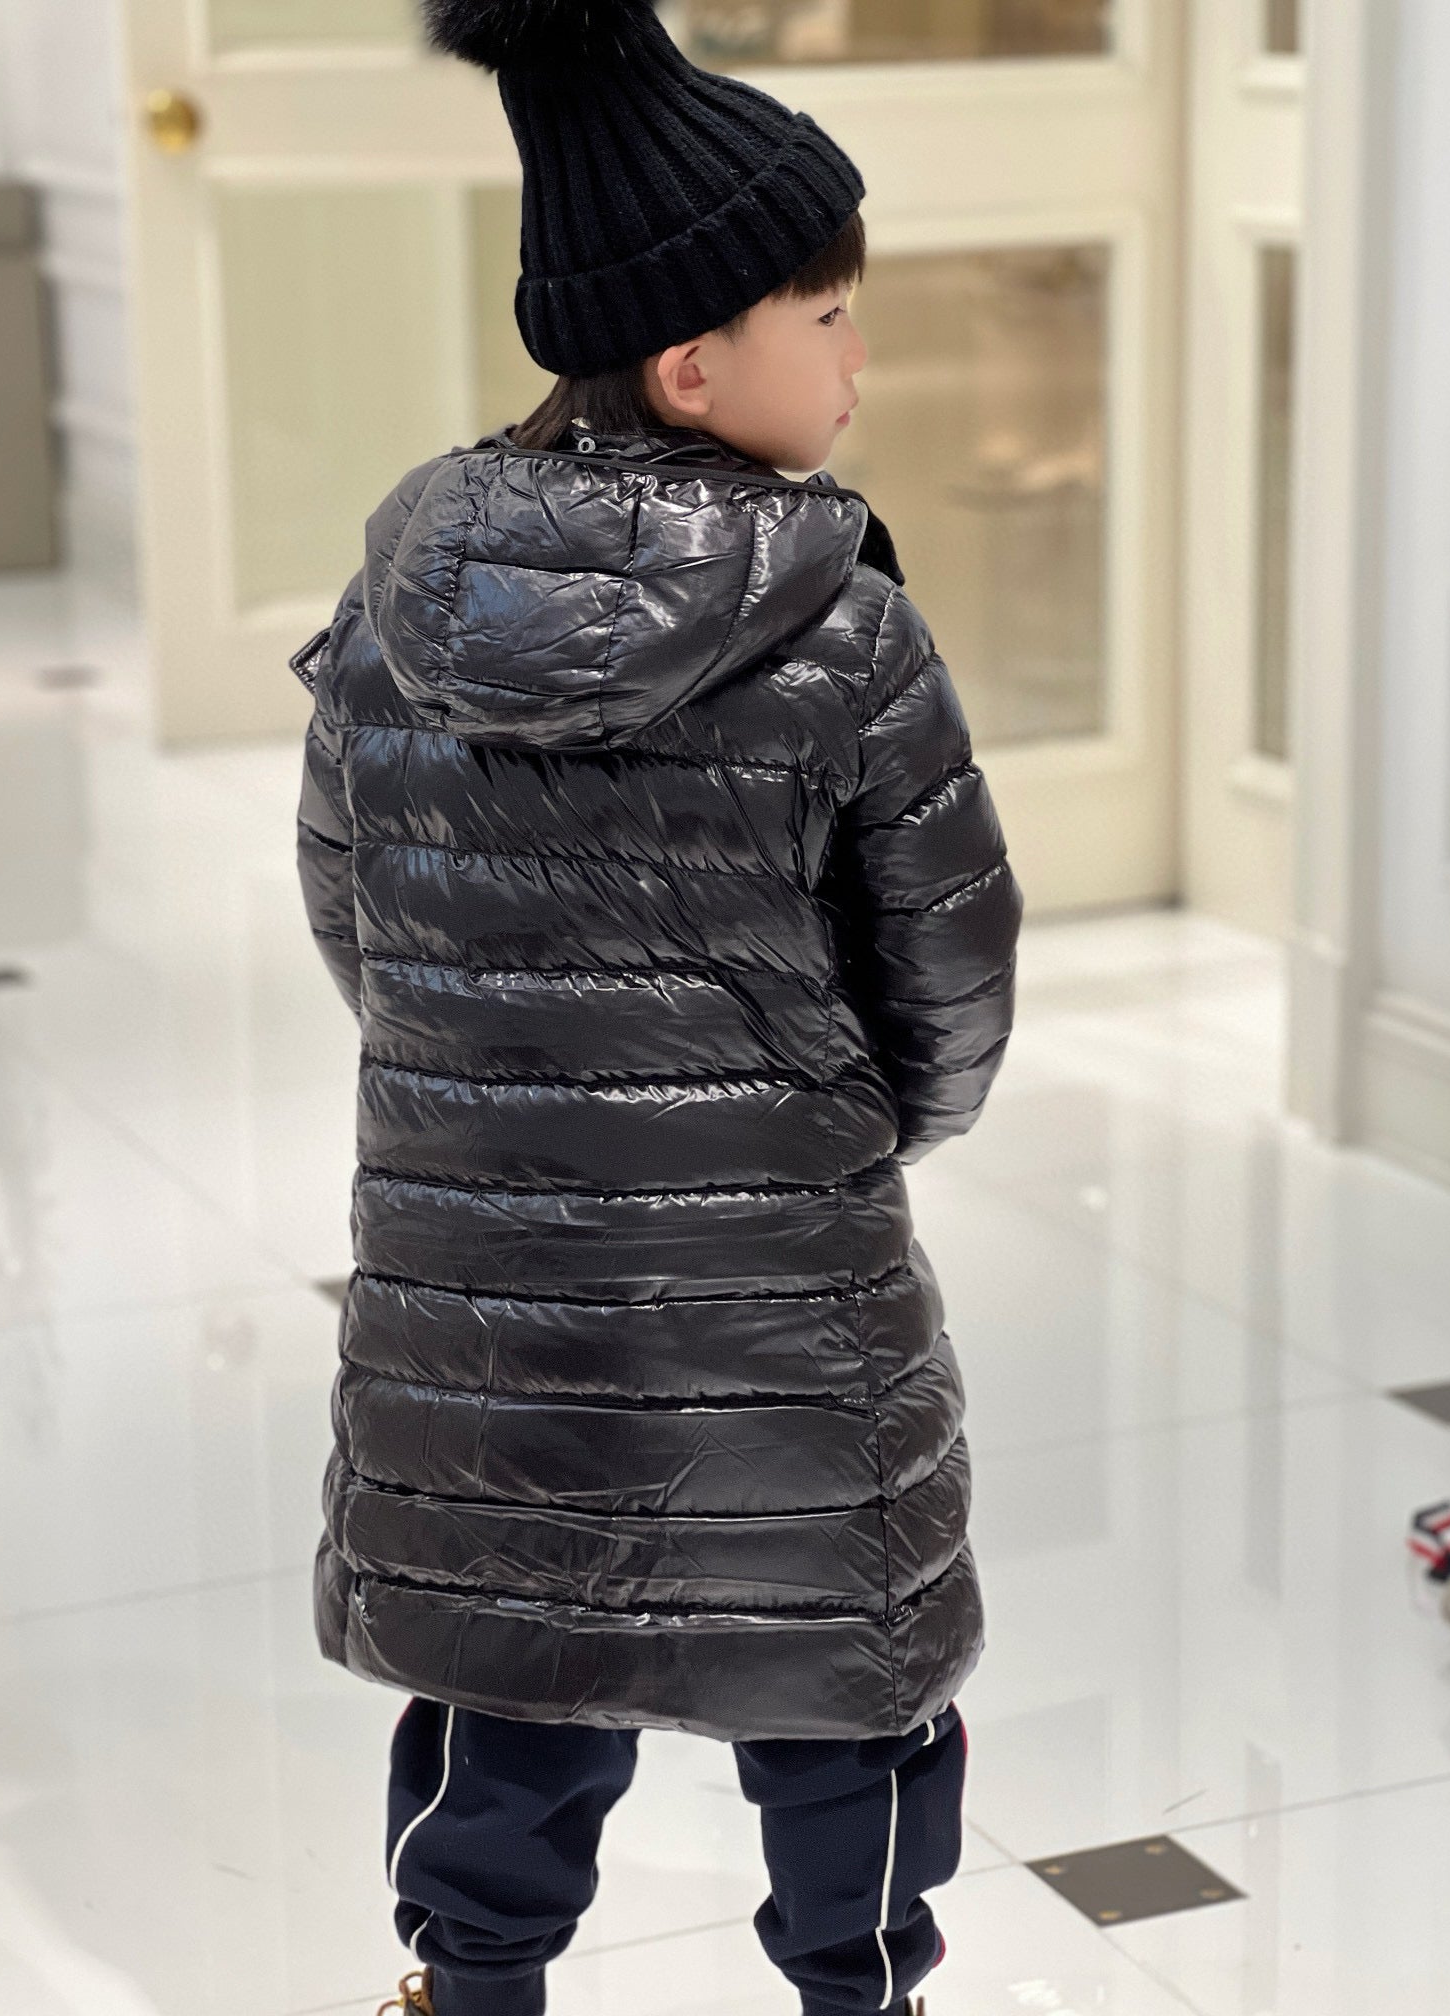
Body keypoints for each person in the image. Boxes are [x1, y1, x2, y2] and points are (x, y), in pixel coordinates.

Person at [291, 4, 1024, 2013]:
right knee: (840, 1665)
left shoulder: (394, 613)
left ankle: (472, 1983)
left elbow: (355, 915)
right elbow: (951, 967)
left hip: (485, 1296)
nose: (860, 357)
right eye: (832, 317)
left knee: (512, 1664)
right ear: (697, 364)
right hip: (777, 1297)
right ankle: (860, 1988)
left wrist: (484, 1086)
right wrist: (850, 1130)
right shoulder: (846, 632)